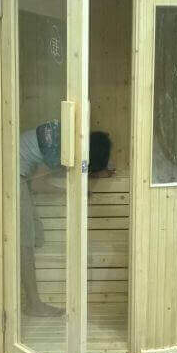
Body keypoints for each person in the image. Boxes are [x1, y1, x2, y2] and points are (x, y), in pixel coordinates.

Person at [20, 120, 112, 316]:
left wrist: (99, 172)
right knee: (25, 241)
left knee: (36, 236)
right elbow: (37, 184)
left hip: (22, 172)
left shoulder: (69, 138)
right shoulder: (58, 151)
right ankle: (33, 304)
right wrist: (71, 193)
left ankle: (27, 297)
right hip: (13, 175)